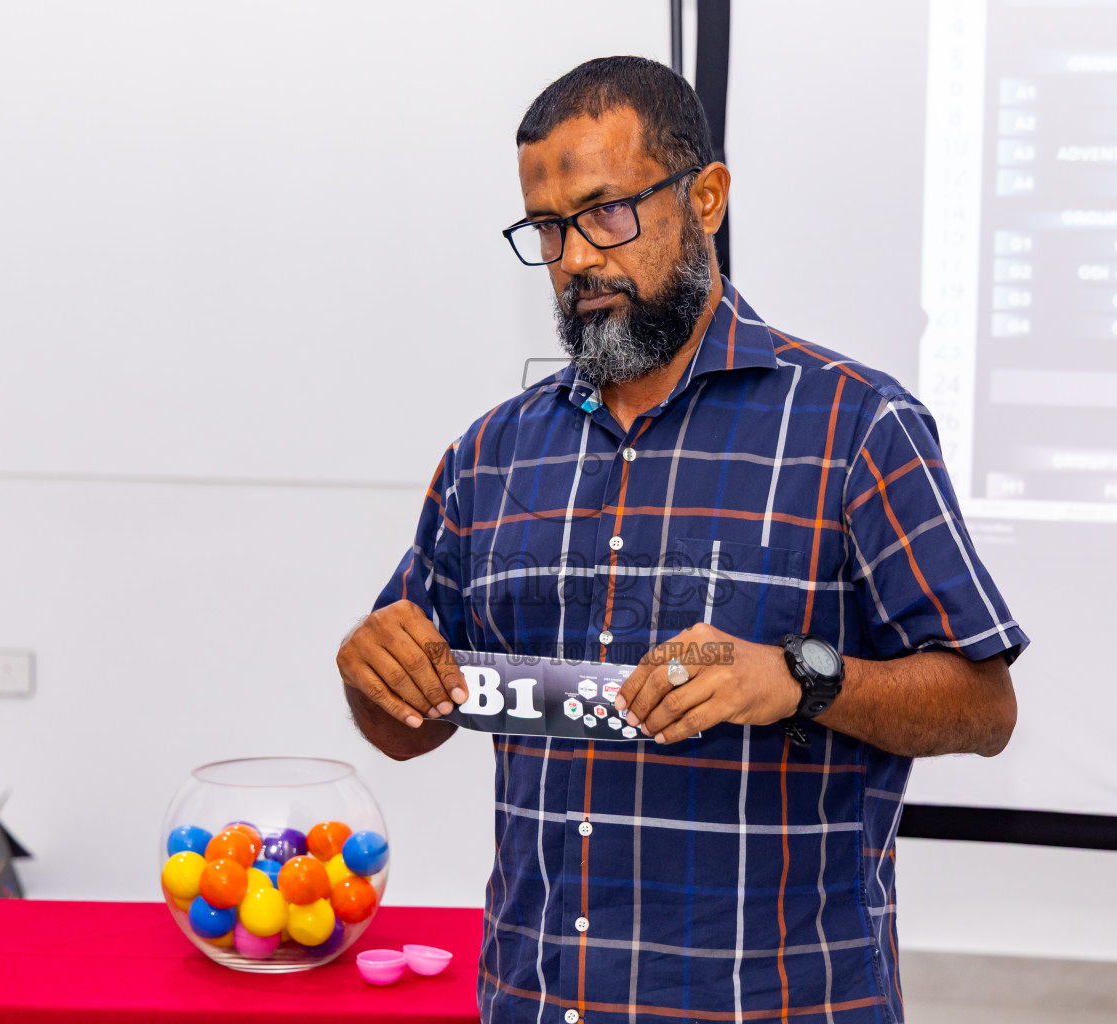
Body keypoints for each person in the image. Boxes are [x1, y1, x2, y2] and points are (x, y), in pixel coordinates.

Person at [338, 55, 1027, 1024]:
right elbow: (403, 724)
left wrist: (801, 675)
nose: (575, 257)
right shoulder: (490, 456)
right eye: (547, 228)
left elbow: (984, 706)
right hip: (533, 1002)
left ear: (705, 197)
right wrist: (372, 675)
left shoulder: (857, 426)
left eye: (605, 211)